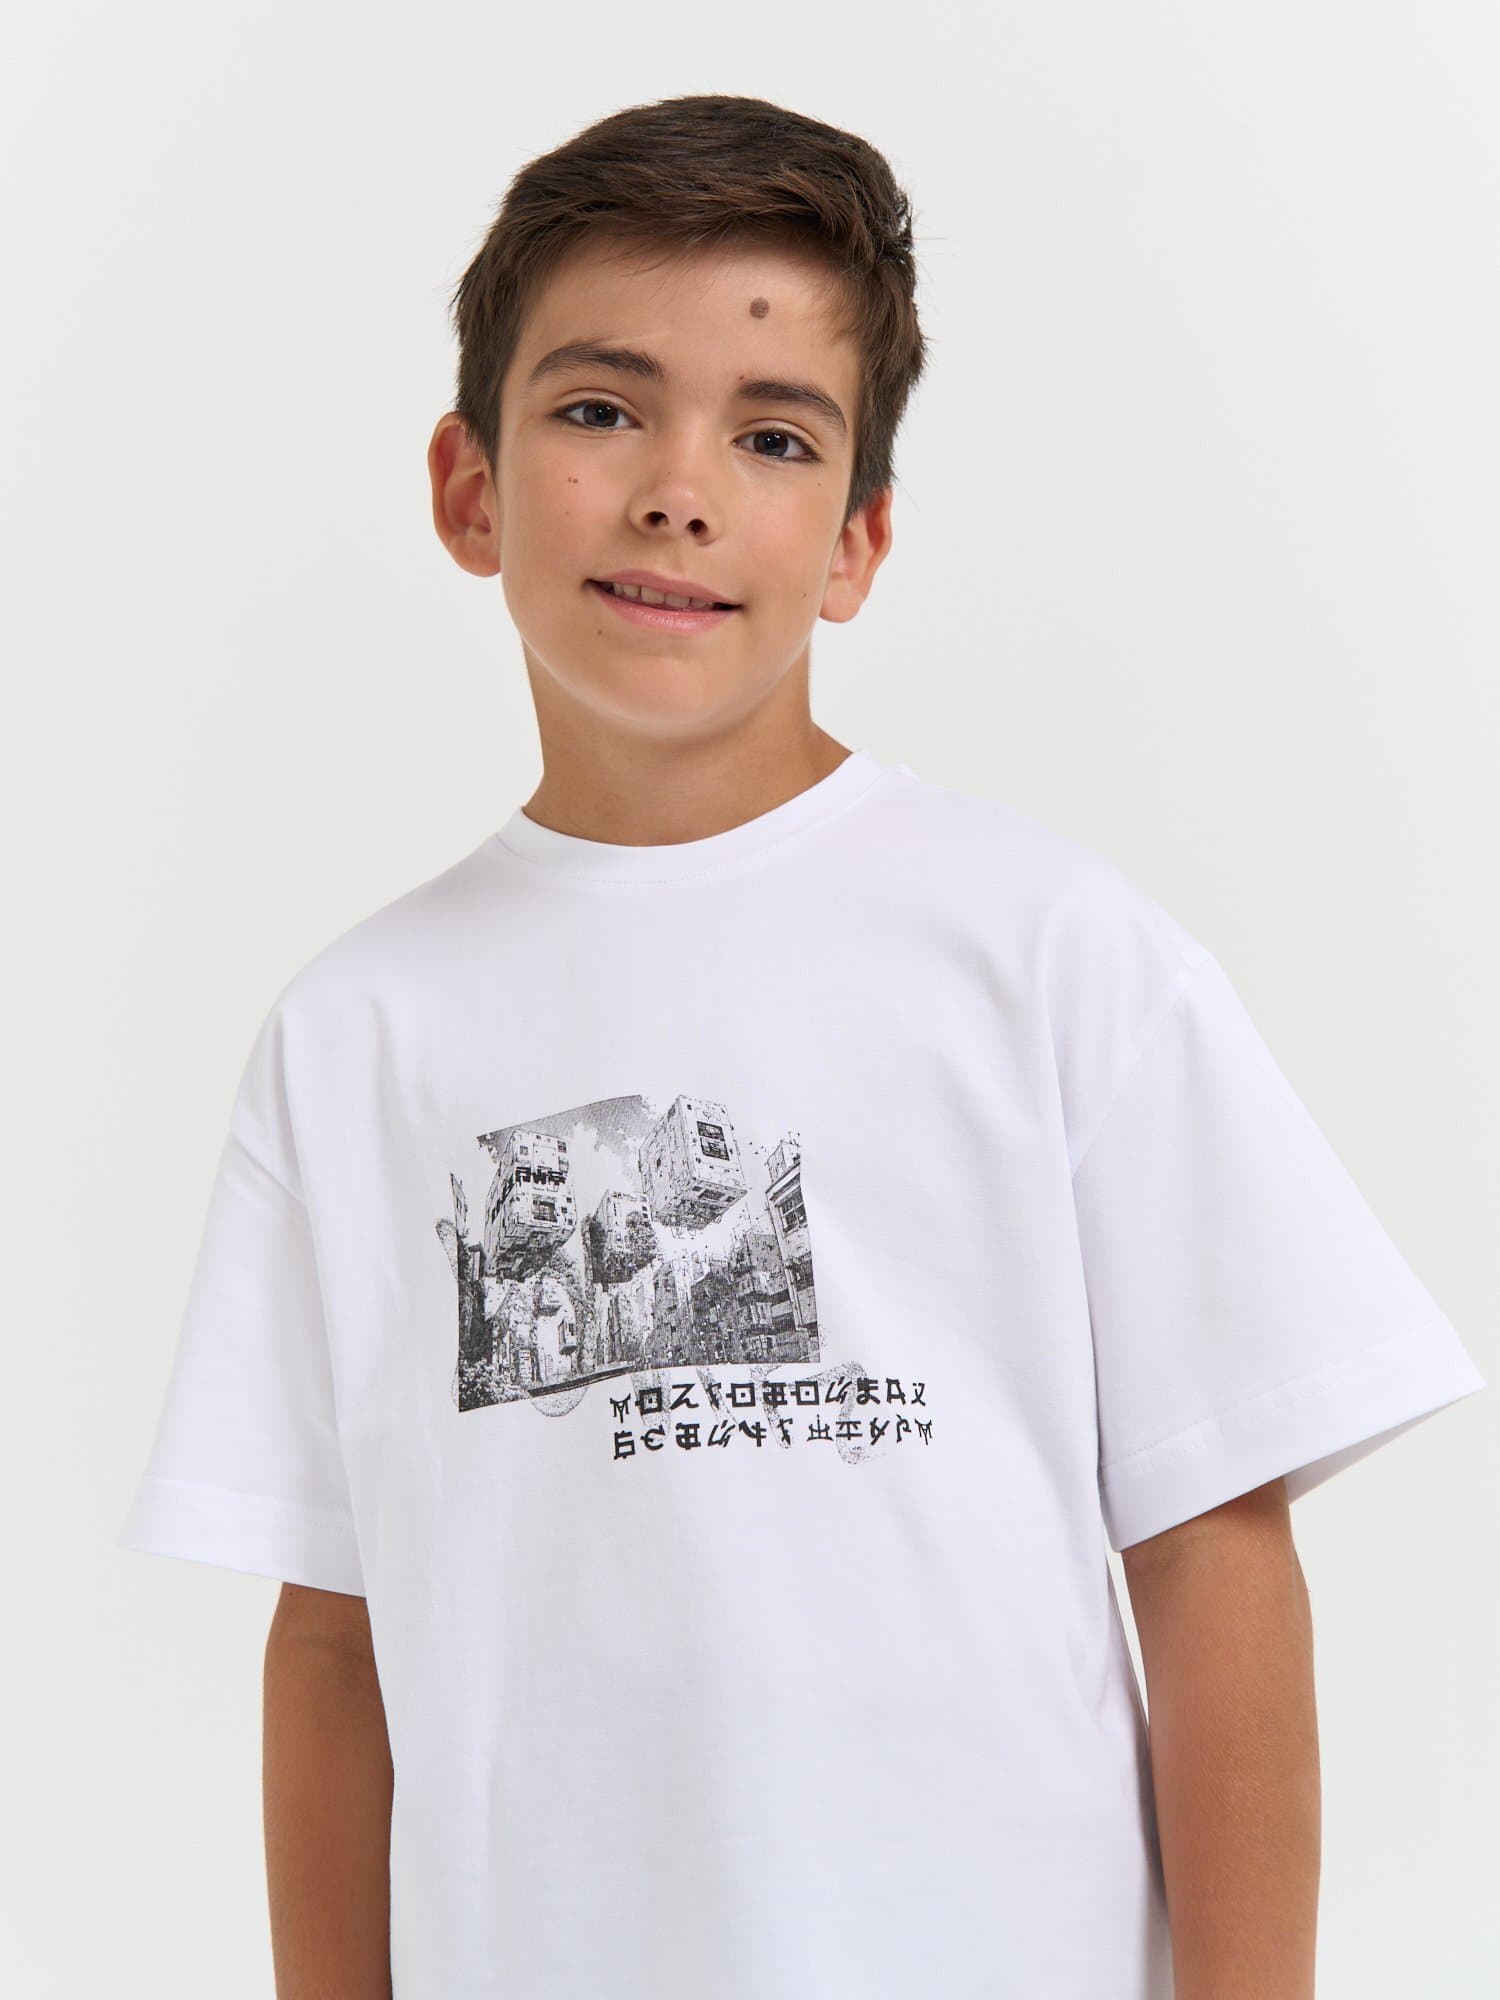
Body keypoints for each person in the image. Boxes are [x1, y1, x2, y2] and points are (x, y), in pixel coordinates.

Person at [117, 92, 1487, 2000]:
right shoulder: (356, 1035)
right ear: (468, 489)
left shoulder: (1047, 951)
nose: (679, 490)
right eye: (601, 409)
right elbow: (335, 1634)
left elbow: (1213, 1547)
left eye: (773, 436)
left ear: (857, 540)